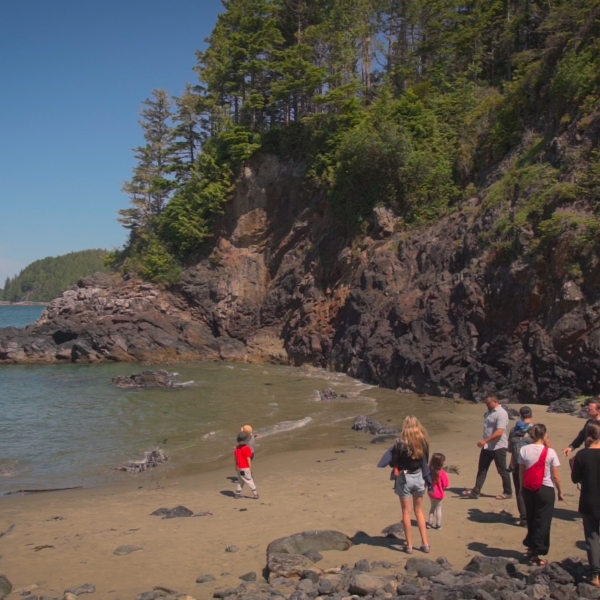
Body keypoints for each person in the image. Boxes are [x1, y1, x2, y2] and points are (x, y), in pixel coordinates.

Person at [518, 423, 564, 566]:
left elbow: (522, 471)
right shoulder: (550, 452)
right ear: (544, 435)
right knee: (543, 521)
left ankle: (531, 547)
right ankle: (537, 553)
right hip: (545, 489)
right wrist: (560, 491)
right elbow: (555, 475)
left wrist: (521, 487)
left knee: (531, 518)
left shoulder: (524, 449)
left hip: (528, 488)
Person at [391, 415, 431, 554]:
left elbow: (393, 462)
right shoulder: (423, 442)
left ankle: (409, 546)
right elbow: (426, 459)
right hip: (419, 477)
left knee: (406, 512)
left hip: (405, 478)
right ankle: (425, 544)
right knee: (419, 511)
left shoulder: (400, 444)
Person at [462, 397, 512, 500]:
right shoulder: (489, 412)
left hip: (499, 447)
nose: (487, 405)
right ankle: (475, 492)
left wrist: (485, 441)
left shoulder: (501, 413)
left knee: (502, 470)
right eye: (486, 403)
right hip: (488, 447)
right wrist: (486, 443)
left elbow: (499, 432)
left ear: (495, 401)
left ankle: (508, 492)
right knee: (482, 469)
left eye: (488, 403)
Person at [571, 420, 600, 587]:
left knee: (592, 538)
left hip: (589, 500)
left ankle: (595, 575)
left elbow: (575, 478)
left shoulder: (582, 455)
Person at [508, 406, 534, 526]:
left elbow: (510, 449)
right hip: (533, 464)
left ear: (520, 415)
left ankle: (524, 518)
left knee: (520, 491)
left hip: (518, 463)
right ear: (531, 415)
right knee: (533, 490)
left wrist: (511, 462)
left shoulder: (513, 430)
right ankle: (533, 515)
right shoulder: (536, 429)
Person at [234, 431, 259, 499]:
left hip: (239, 468)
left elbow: (236, 459)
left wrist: (236, 466)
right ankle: (255, 493)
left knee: (241, 480)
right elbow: (248, 460)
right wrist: (250, 469)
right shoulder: (247, 448)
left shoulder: (237, 448)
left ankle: (237, 493)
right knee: (249, 480)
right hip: (245, 468)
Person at [427, 453, 449, 530]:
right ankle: (438, 524)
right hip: (439, 494)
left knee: (432, 507)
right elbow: (446, 484)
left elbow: (426, 481)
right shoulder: (442, 473)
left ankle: (429, 523)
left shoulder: (429, 471)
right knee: (439, 509)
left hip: (431, 493)